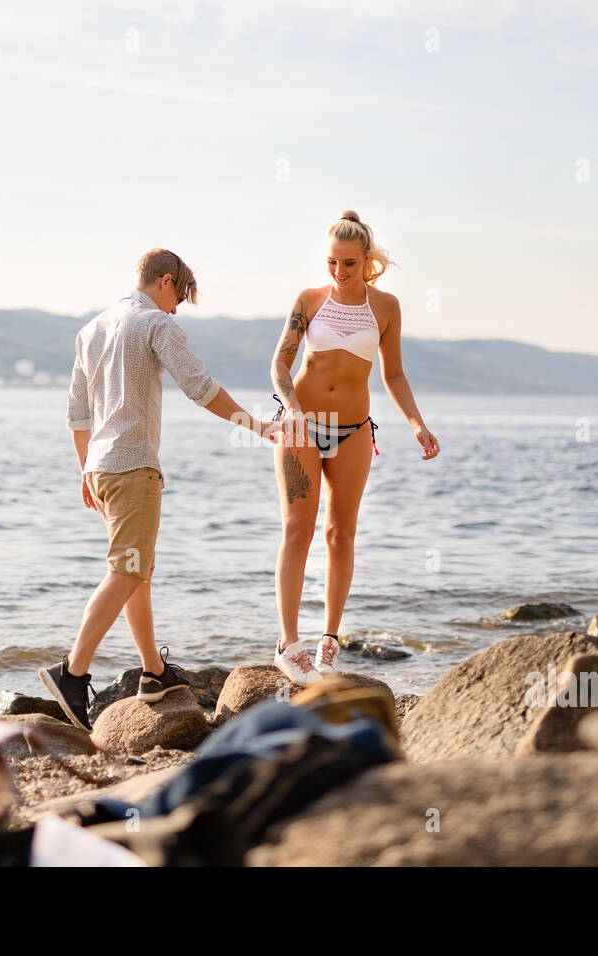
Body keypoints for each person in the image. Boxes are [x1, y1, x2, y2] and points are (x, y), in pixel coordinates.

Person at [39, 248, 280, 731]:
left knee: (137, 570)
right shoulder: (155, 324)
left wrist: (85, 470)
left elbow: (77, 415)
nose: (177, 311)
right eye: (179, 300)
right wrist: (257, 426)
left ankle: (153, 672)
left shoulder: (92, 329)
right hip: (133, 468)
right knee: (127, 573)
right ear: (166, 282)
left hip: (102, 471)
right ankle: (72, 671)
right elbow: (198, 385)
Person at [269, 211, 440, 685]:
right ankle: (288, 643)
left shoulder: (386, 307)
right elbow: (280, 366)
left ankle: (329, 641)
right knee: (297, 529)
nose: (339, 273)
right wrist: (293, 410)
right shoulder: (308, 301)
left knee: (340, 534)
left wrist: (416, 425)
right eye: (331, 263)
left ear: (367, 261)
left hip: (354, 432)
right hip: (301, 426)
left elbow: (394, 375)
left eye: (348, 263)